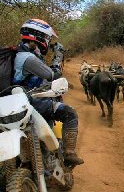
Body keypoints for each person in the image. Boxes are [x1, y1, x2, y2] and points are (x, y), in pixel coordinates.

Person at [13, 19, 84, 166]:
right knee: (70, 113)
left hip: (16, 102)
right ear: (39, 37)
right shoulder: (29, 58)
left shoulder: (19, 53)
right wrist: (58, 57)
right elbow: (53, 75)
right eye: (47, 37)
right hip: (32, 103)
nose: (48, 41)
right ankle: (69, 153)